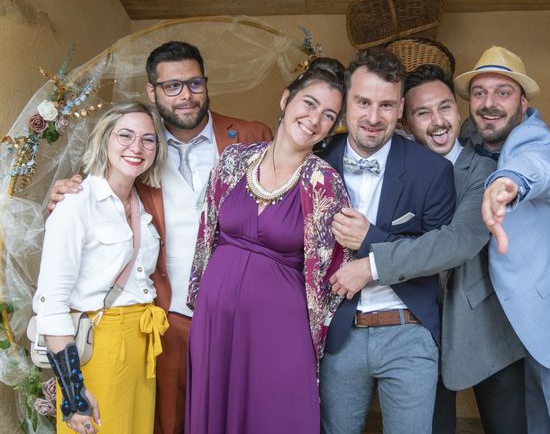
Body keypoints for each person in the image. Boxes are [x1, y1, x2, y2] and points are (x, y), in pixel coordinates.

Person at [49, 41, 273, 434]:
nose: (185, 95)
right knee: (164, 421)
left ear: (206, 84)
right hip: (164, 319)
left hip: (238, 314)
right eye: (171, 86)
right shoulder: (137, 159)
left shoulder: (253, 138)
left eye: (194, 83)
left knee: (236, 417)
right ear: (152, 92)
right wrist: (66, 193)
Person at [338, 62, 526, 433]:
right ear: (406, 122)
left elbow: (456, 241)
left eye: (444, 108)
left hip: (481, 324)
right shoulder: (393, 164)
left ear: (458, 111)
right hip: (419, 323)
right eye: (422, 113)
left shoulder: (485, 171)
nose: (437, 121)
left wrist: (370, 258)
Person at [185, 57, 351, 434]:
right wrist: (201, 297)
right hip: (216, 319)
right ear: (286, 99)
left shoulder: (324, 182)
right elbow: (206, 233)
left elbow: (334, 269)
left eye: (329, 115)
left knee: (275, 417)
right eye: (309, 103)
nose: (315, 119)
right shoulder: (233, 160)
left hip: (280, 329)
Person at [455, 46, 550, 433]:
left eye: (502, 93)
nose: (489, 103)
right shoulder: (476, 144)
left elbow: (532, 166)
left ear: (523, 102)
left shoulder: (534, 141)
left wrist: (506, 185)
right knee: (538, 424)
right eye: (479, 92)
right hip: (522, 324)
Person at [320, 48, 455, 434]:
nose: (374, 117)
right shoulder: (316, 161)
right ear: (346, 103)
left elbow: (439, 252)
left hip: (409, 333)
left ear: (400, 110)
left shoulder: (432, 171)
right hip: (338, 335)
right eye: (363, 102)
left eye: (386, 105)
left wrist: (371, 242)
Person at [33, 103, 169, 434]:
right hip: (97, 349)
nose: (136, 147)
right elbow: (52, 304)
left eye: (148, 140)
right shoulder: (76, 202)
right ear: (105, 139)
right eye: (125, 135)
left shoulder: (144, 204)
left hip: (141, 348)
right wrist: (73, 390)